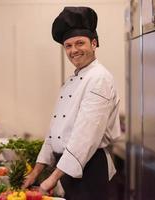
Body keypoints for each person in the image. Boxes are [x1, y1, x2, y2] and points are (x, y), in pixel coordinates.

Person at [22, 7, 121, 200]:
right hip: (67, 171)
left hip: (91, 172)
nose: (73, 50)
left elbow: (84, 138)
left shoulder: (99, 78)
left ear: (94, 44)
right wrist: (35, 172)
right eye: (68, 45)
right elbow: (54, 132)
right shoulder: (71, 80)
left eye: (79, 43)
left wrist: (50, 180)